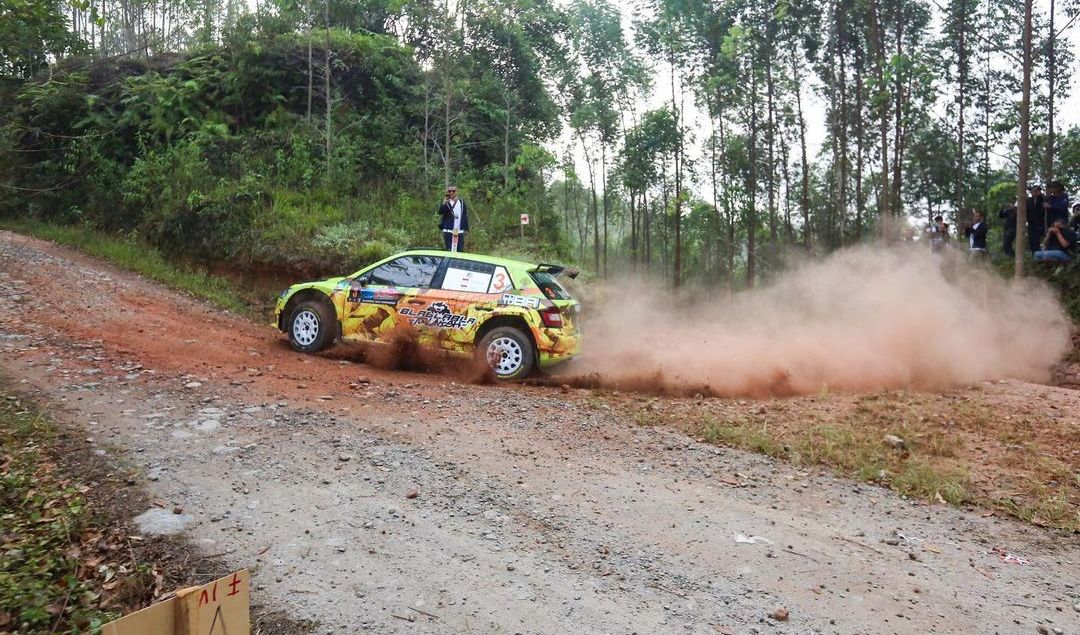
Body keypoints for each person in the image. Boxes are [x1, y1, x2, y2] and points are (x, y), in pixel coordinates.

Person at [437, 185, 469, 252]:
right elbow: (440, 212)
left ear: (456, 192)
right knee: (449, 250)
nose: (451, 193)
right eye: (449, 191)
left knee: (460, 251)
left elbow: (464, 215)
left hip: (459, 231)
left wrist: (465, 228)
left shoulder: (461, 202)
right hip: (448, 230)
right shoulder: (446, 202)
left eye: (453, 191)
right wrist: (444, 204)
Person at [1027, 184, 1047, 254]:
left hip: (1040, 222)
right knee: (1031, 239)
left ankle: (1039, 254)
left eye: (1036, 191)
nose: (1034, 193)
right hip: (1031, 222)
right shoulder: (1029, 200)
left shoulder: (1042, 199)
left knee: (1037, 239)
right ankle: (1034, 254)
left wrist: (1039, 195)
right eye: (1032, 191)